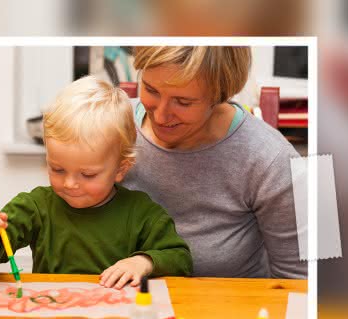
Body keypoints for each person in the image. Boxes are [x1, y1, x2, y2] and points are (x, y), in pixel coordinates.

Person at [0, 76, 192, 289]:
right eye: (58, 169)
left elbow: (180, 259)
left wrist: (143, 262)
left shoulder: (141, 213)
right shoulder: (35, 206)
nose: (70, 184)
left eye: (88, 174)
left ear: (120, 169)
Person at [123, 46, 307, 279]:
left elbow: (303, 283)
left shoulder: (273, 159)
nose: (160, 116)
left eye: (183, 102)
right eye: (151, 90)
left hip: (228, 311)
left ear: (220, 94)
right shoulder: (111, 127)